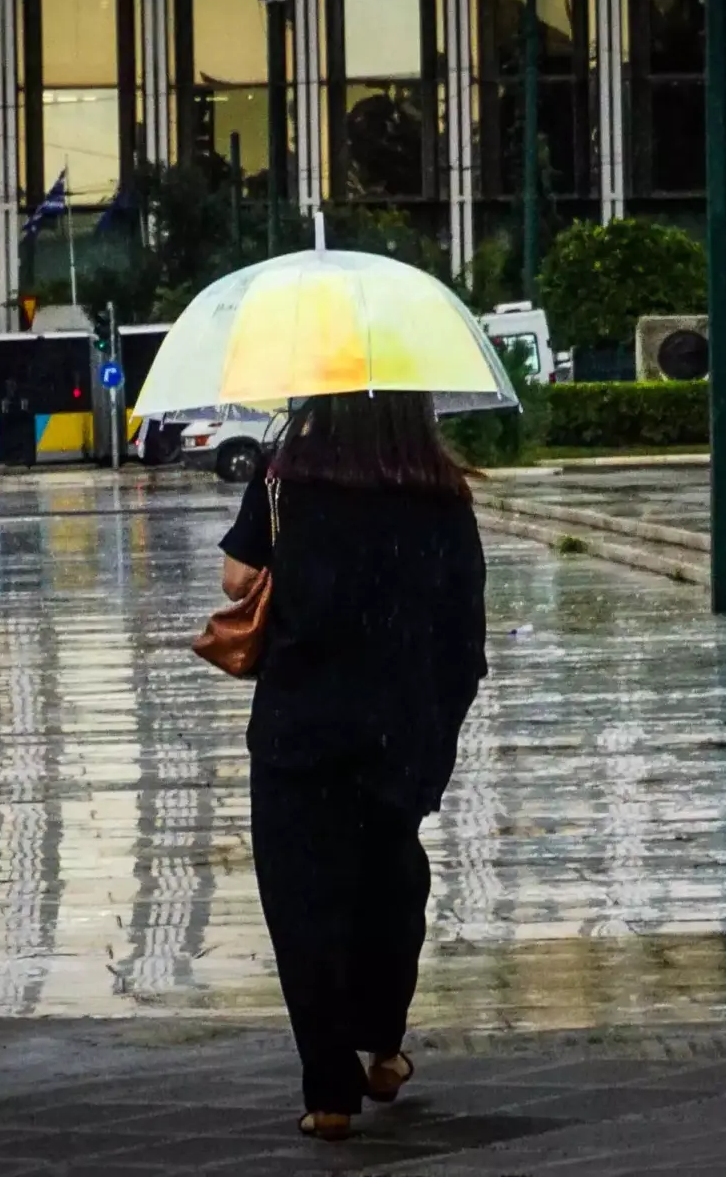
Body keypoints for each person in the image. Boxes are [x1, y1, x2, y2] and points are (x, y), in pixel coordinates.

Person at [218, 391, 489, 1142]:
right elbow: (464, 628)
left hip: (298, 730)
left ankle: (329, 1092)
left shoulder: (285, 480)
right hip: (400, 731)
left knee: (302, 904)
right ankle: (385, 1044)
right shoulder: (440, 494)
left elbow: (237, 581)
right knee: (389, 892)